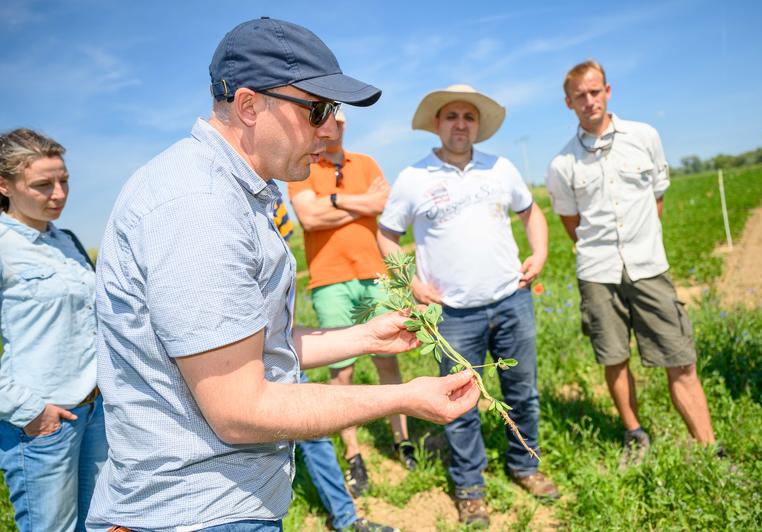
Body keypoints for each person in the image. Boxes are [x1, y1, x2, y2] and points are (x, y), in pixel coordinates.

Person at [86, 18, 479, 532]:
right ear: (249, 106)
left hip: (226, 502)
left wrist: (364, 338)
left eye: (333, 112)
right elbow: (241, 408)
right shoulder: (198, 207)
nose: (327, 128)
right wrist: (404, 399)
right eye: (316, 109)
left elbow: (246, 344)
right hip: (194, 514)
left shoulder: (238, 191)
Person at [377, 84, 559, 527]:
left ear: (478, 125)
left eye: (469, 117)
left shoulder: (501, 168)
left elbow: (531, 211)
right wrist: (414, 283)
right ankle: (470, 488)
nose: (461, 124)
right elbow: (386, 234)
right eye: (452, 116)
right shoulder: (413, 178)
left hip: (511, 300)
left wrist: (540, 251)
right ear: (437, 125)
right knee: (459, 403)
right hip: (452, 313)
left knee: (523, 391)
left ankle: (525, 465)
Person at [545, 60, 717, 468]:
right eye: (580, 96)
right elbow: (572, 223)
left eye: (595, 91)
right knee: (613, 357)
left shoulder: (645, 137)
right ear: (568, 103)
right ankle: (635, 434)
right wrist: (602, 248)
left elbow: (657, 198)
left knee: (680, 357)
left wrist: (638, 242)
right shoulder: (562, 163)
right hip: (597, 273)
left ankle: (708, 447)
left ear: (608, 91)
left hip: (648, 266)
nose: (589, 101)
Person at [288, 109, 415, 498]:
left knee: (387, 359)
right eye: (329, 121)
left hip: (376, 275)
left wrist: (334, 203)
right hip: (330, 281)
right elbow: (309, 217)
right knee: (341, 371)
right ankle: (355, 454)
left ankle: (402, 440)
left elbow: (385, 205)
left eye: (341, 122)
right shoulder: (305, 163)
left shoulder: (367, 163)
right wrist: (358, 202)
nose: (334, 128)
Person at [0, 128, 107, 532]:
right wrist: (30, 412)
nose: (59, 194)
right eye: (43, 185)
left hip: (94, 412)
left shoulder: (70, 242)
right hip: (41, 424)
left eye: (64, 181)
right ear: (4, 185)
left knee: (100, 524)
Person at [271, 197, 397, 532]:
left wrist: (368, 336)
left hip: (278, 345)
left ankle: (345, 517)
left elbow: (281, 275)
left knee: (312, 428)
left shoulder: (271, 204)